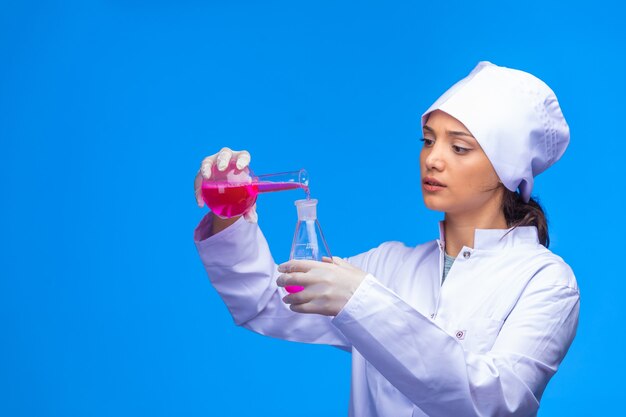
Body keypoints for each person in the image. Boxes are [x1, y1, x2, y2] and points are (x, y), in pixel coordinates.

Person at [192, 61, 580, 417]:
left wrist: (361, 302)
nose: (433, 159)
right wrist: (228, 212)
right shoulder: (388, 265)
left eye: (459, 147)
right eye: (428, 140)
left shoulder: (545, 281)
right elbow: (264, 302)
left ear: (507, 171)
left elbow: (494, 403)